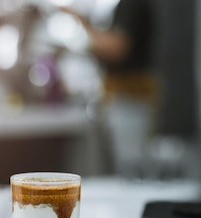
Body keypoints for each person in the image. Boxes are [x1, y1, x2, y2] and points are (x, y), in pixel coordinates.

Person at [60, 0, 159, 177]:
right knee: (128, 165)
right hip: (128, 96)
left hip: (130, 95)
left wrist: (81, 20)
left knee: (131, 166)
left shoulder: (131, 4)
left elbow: (115, 49)